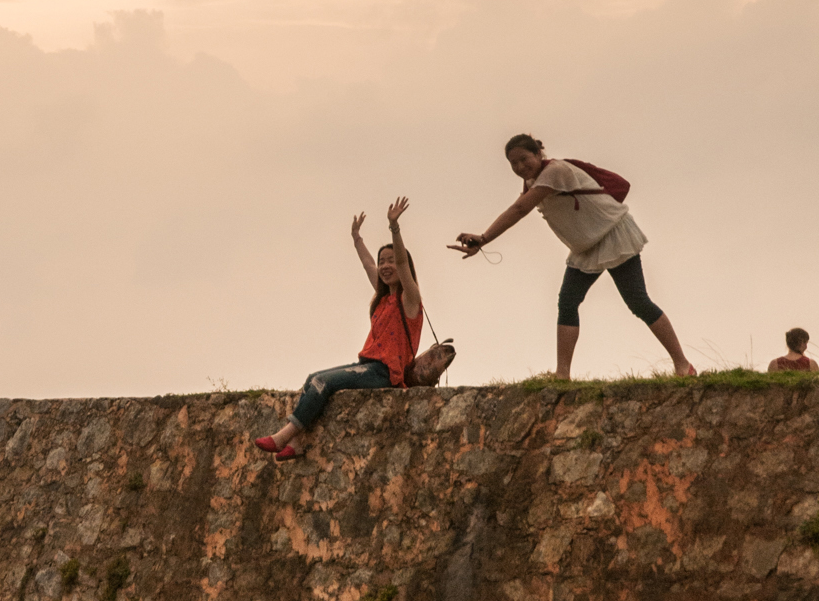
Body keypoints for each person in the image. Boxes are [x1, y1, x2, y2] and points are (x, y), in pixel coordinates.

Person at [449, 133, 696, 380]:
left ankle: (683, 365)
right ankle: (562, 374)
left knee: (638, 302)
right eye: (513, 163)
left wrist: (484, 238)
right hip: (586, 247)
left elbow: (520, 209)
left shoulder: (555, 171)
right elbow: (519, 205)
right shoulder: (534, 181)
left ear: (538, 154)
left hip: (612, 234)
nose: (520, 167)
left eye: (524, 159)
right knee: (568, 302)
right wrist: (481, 240)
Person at [255, 199, 426, 460]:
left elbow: (402, 264)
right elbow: (369, 266)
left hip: (386, 374)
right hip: (367, 366)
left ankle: (282, 437)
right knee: (314, 376)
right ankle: (299, 443)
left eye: (390, 261)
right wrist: (357, 238)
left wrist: (394, 227)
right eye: (383, 262)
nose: (386, 266)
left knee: (323, 382)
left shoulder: (409, 300)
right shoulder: (382, 300)